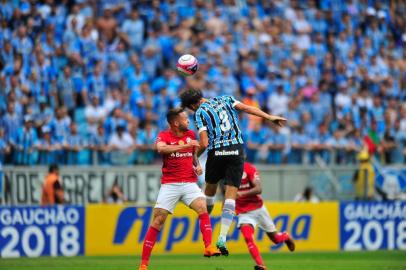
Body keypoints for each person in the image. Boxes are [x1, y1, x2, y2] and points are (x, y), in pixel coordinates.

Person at [180, 89, 287, 255]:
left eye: (190, 108)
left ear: (193, 105)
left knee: (209, 191)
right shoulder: (226, 98)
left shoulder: (200, 112)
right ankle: (222, 237)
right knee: (230, 197)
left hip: (217, 152)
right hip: (236, 151)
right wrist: (268, 117)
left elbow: (204, 142)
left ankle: (205, 225)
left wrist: (192, 158)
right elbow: (247, 108)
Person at [139, 108, 220, 270]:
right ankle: (144, 264)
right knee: (158, 220)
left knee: (202, 207)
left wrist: (196, 165)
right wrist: (182, 146)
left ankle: (209, 246)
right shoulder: (164, 135)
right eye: (185, 118)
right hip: (170, 184)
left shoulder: (190, 134)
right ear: (176, 123)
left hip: (189, 183)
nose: (188, 121)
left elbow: (193, 155)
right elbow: (161, 149)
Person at [237, 162, 295, 270]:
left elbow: (259, 189)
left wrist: (242, 194)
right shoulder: (227, 171)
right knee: (248, 238)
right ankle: (261, 265)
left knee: (275, 239)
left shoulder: (249, 169)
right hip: (243, 212)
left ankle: (285, 236)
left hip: (258, 209)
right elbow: (227, 192)